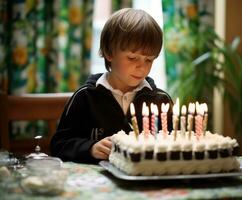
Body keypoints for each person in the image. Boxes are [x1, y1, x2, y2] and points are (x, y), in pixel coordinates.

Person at [50, 8, 173, 164]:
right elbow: (59, 145)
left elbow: (175, 144)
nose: (141, 67)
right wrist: (90, 148)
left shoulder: (160, 100)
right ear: (109, 53)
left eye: (148, 60)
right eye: (132, 57)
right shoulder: (85, 97)